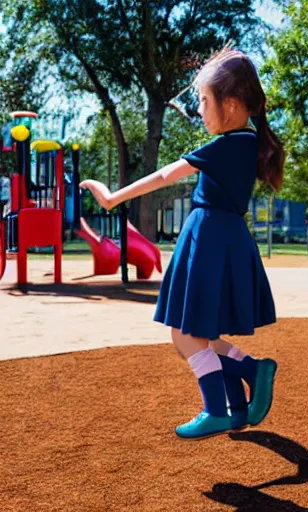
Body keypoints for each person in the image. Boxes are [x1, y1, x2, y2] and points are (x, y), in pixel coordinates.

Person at [81, 48, 285, 440]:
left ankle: (219, 405)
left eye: (205, 102)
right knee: (201, 334)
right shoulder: (245, 141)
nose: (202, 111)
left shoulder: (230, 144)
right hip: (219, 236)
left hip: (210, 238)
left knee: (184, 334)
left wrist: (112, 198)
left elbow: (164, 175)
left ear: (231, 103)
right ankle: (239, 399)